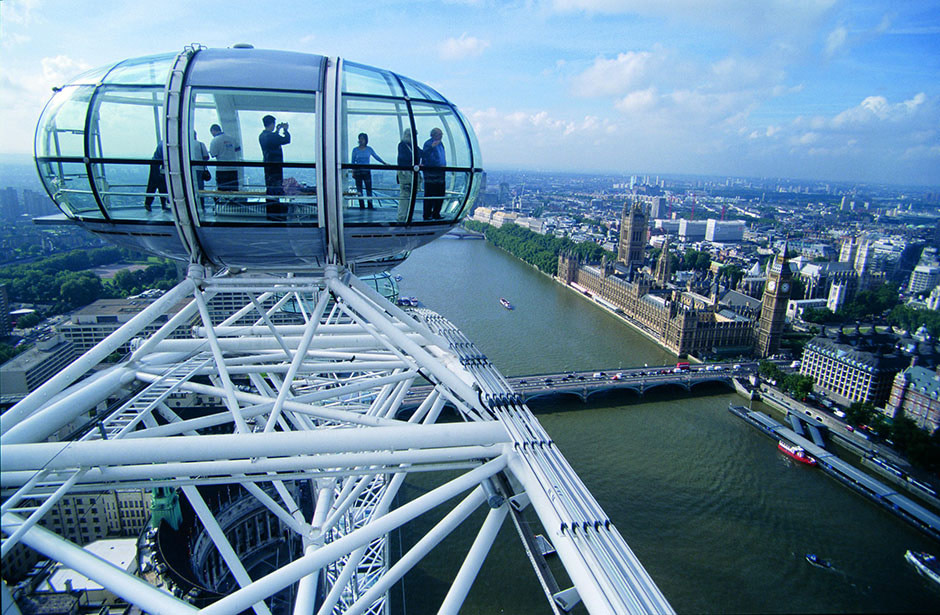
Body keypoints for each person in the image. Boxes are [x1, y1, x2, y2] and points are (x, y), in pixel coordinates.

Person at [259, 114, 290, 220]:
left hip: (267, 166)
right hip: (276, 167)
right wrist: (285, 130)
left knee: (270, 190)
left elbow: (273, 140)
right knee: (276, 190)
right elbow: (286, 140)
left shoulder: (262, 136)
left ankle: (270, 214)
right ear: (272, 124)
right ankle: (276, 215)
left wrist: (277, 131)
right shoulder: (271, 136)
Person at [351, 132, 386, 209]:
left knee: (368, 189)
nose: (361, 140)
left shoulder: (369, 149)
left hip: (366, 172)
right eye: (360, 139)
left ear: (366, 140)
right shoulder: (355, 150)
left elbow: (376, 157)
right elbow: (352, 162)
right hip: (358, 172)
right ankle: (361, 206)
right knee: (359, 190)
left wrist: (384, 163)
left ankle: (370, 205)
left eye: (362, 139)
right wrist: (353, 172)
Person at [209, 123, 241, 204]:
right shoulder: (231, 138)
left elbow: (213, 154)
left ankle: (223, 207)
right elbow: (238, 149)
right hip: (233, 168)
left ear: (213, 131)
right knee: (233, 190)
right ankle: (234, 206)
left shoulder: (215, 140)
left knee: (222, 190)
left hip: (222, 169)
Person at [421, 127, 446, 220]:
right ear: (434, 135)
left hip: (440, 174)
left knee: (440, 194)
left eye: (441, 134)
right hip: (431, 175)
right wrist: (432, 147)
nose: (441, 136)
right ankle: (427, 214)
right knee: (430, 194)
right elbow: (425, 156)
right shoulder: (428, 144)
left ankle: (436, 213)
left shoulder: (440, 144)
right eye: (439, 134)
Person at [396, 129, 418, 222]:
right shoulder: (403, 146)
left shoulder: (411, 146)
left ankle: (406, 215)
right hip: (405, 174)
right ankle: (402, 216)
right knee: (405, 195)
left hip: (408, 174)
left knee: (408, 195)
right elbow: (404, 158)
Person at [144, 140, 168, 212]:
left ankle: (148, 203)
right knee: (161, 184)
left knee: (153, 184)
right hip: (158, 165)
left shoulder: (163, 143)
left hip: (156, 164)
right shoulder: (166, 145)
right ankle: (164, 204)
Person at [192, 131, 210, 210]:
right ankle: (201, 206)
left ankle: (192, 206)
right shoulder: (200, 144)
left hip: (189, 170)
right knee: (200, 188)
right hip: (200, 169)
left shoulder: (186, 145)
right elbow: (206, 157)